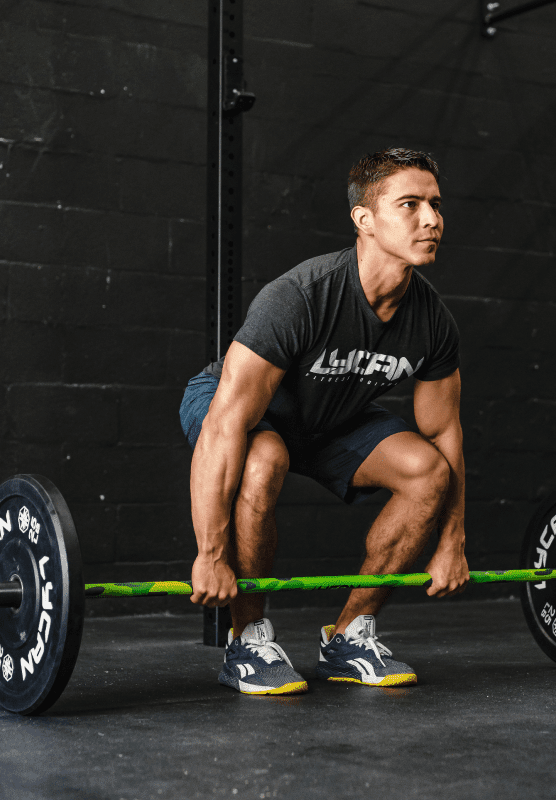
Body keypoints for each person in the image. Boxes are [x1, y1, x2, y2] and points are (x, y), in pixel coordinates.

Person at [179, 147, 469, 696]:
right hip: (235, 410)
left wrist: (451, 540)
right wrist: (210, 555)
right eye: (410, 204)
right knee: (264, 458)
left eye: (435, 204)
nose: (432, 219)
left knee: (427, 471)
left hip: (331, 416)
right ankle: (248, 640)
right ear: (364, 219)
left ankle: (349, 636)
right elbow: (225, 425)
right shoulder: (300, 297)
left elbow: (443, 432)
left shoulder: (432, 321)